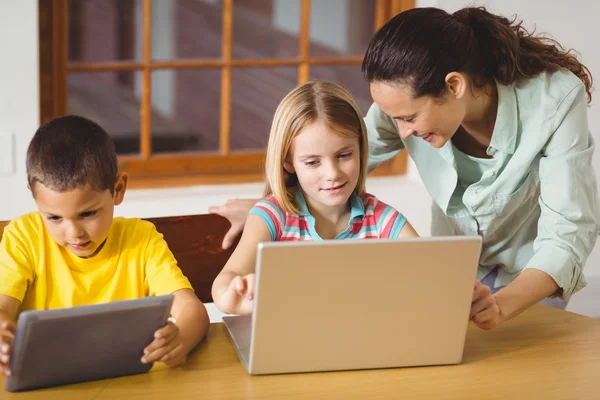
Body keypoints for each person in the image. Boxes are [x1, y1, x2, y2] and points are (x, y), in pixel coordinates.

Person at [210, 7, 599, 330]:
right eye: (392, 117)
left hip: (530, 273)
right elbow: (341, 153)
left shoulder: (555, 101)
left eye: (409, 117)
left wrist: (502, 305)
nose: (401, 131)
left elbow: (567, 233)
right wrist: (277, 201)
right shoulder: (401, 105)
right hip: (455, 268)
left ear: (454, 86)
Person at [0, 115, 210, 377]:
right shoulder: (24, 237)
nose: (74, 232)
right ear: (34, 196)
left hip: (126, 384)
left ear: (118, 189)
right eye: (54, 217)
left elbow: (192, 310)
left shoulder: (142, 240)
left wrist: (181, 339)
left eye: (88, 214)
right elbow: (3, 308)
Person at [211, 81, 419, 315]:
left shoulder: (381, 220)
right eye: (312, 162)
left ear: (360, 149)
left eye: (344, 155)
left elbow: (429, 266)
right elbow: (225, 280)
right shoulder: (272, 216)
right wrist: (231, 296)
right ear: (288, 162)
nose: (332, 174)